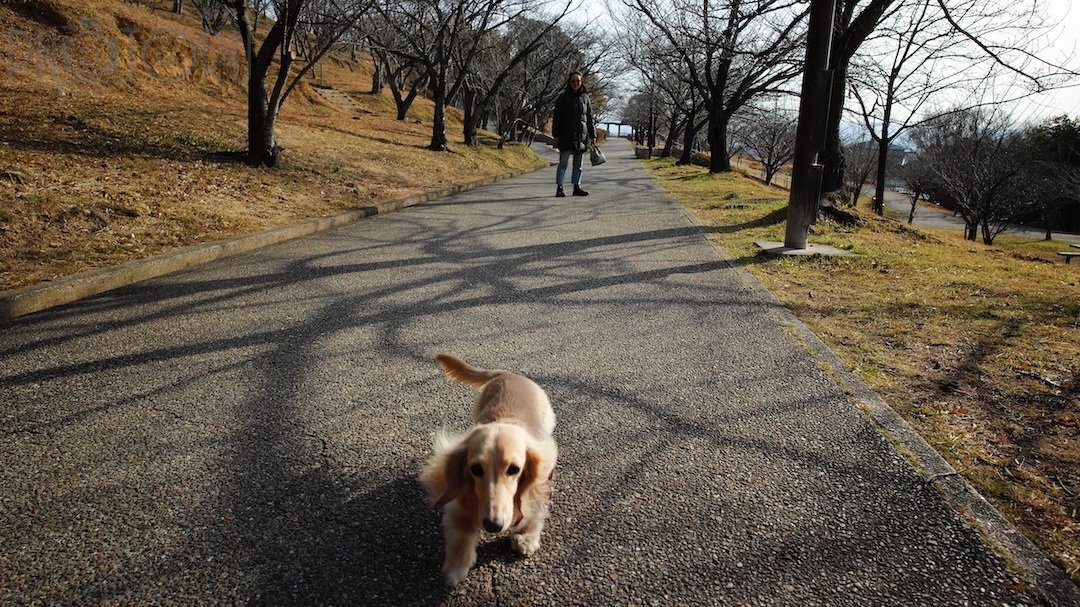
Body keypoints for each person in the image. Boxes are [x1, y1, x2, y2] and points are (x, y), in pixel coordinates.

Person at [551, 71, 595, 197]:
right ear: (569, 82)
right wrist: (556, 135)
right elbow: (557, 118)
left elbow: (589, 118)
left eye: (578, 81)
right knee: (563, 163)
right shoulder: (563, 98)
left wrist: (593, 135)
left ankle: (577, 186)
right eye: (573, 81)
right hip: (566, 136)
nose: (576, 83)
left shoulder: (585, 98)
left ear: (582, 82)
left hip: (581, 136)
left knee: (578, 164)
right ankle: (560, 187)